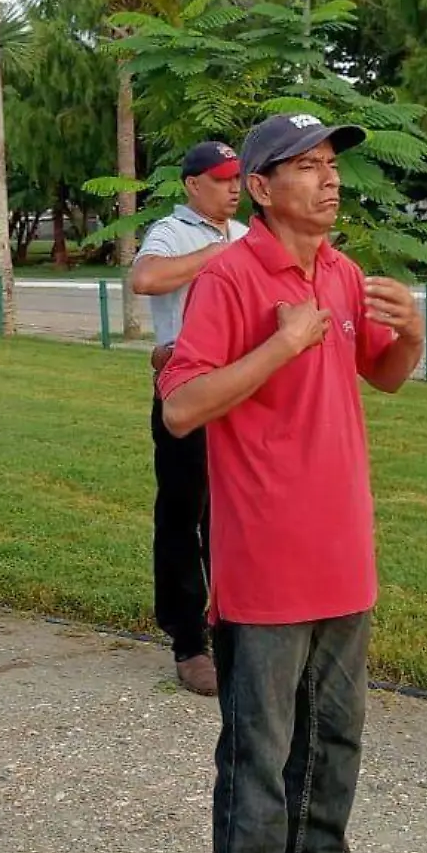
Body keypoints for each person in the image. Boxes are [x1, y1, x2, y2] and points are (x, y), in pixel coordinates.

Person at [160, 114, 421, 853]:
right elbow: (183, 406)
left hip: (343, 557)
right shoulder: (231, 279)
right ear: (263, 190)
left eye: (332, 165)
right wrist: (279, 343)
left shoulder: (342, 272)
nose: (329, 179)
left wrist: (410, 335)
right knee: (259, 764)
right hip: (266, 566)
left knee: (334, 750)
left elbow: (380, 373)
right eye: (305, 167)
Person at [130, 140, 249, 697]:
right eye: (222, 180)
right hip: (187, 387)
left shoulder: (249, 234)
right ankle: (188, 641)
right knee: (184, 514)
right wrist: (216, 254)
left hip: (241, 389)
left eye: (237, 180)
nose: (233, 189)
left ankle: (238, 628)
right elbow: (147, 279)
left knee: (235, 514)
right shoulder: (172, 232)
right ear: (193, 185)